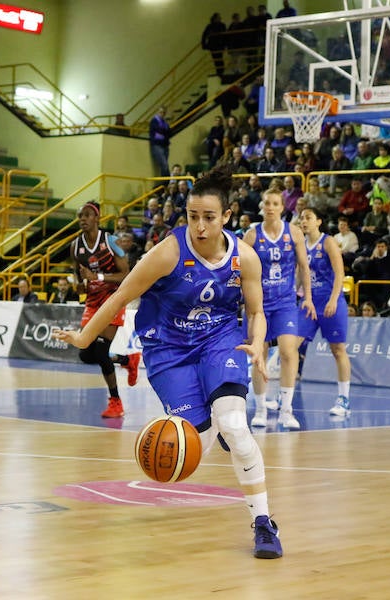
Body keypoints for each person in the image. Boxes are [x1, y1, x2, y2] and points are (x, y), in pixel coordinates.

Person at [54, 166, 283, 560]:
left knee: (233, 423)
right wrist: (85, 336)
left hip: (219, 338)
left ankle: (263, 522)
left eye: (209, 217)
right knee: (194, 447)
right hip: (168, 348)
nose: (199, 226)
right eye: (193, 216)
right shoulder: (168, 252)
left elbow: (257, 312)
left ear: (227, 217)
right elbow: (121, 293)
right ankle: (214, 429)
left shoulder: (244, 258)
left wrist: (259, 343)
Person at [243, 188, 313, 429]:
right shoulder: (252, 236)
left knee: (287, 351)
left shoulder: (293, 233)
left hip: (285, 302)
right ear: (262, 207)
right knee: (258, 354)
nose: (270, 207)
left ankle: (286, 409)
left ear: (283, 207)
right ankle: (261, 408)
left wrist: (308, 298)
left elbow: (304, 267)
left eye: (275, 203)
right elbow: (239, 270)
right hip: (258, 304)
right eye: (266, 203)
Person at [70, 201, 140, 418]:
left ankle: (116, 402)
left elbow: (126, 274)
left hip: (112, 299)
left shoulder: (111, 242)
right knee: (85, 353)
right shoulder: (75, 246)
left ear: (97, 218)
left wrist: (98, 277)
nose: (83, 219)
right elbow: (78, 277)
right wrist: (79, 285)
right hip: (92, 301)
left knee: (101, 350)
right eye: (80, 215)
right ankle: (128, 360)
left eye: (87, 215)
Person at [296, 207, 353, 418]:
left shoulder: (327, 242)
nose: (304, 221)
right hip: (309, 303)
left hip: (331, 302)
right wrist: (296, 294)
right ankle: (285, 398)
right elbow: (301, 273)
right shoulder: (301, 244)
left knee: (338, 349)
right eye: (302, 218)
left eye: (308, 217)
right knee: (290, 347)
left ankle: (344, 399)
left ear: (318, 221)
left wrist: (333, 300)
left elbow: (340, 273)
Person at [149, 106, 170, 178]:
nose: (162, 114)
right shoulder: (154, 121)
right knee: (164, 164)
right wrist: (164, 133)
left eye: (164, 113)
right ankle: (166, 181)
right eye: (160, 112)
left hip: (165, 145)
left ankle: (165, 181)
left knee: (164, 164)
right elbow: (157, 132)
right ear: (157, 112)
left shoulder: (165, 122)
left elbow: (168, 132)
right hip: (157, 145)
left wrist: (163, 132)